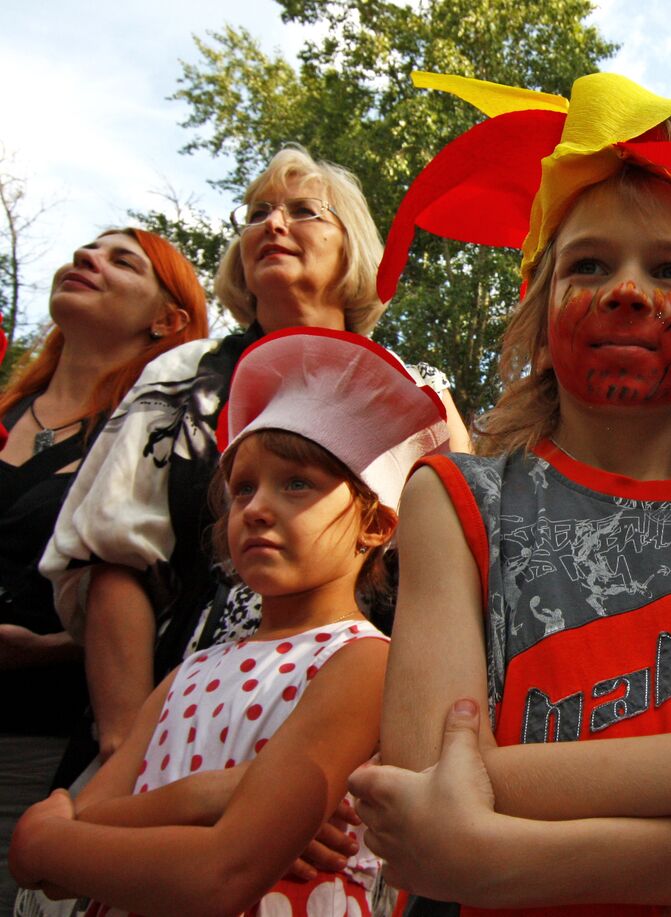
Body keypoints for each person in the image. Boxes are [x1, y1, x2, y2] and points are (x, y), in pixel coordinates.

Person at [350, 71, 671, 913]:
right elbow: (430, 790)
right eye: (590, 263)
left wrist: (501, 850)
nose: (626, 290)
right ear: (539, 306)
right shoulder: (460, 501)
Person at [41, 146, 471, 767]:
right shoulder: (184, 376)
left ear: (352, 246)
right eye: (258, 212)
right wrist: (128, 746)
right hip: (184, 727)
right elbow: (118, 556)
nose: (272, 224)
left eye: (303, 212)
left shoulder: (420, 393)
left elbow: (453, 580)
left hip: (358, 738)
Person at [9, 327, 450, 915]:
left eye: (297, 484)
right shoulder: (185, 675)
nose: (258, 507)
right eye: (243, 489)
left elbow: (219, 875)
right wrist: (215, 797)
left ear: (376, 525)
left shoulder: (366, 664)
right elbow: (67, 854)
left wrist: (51, 837)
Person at [0, 228, 207, 910]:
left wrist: (54, 645)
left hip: (40, 739)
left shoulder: (150, 445)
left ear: (169, 319)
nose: (86, 259)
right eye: (87, 250)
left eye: (122, 260)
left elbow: (172, 596)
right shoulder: (6, 413)